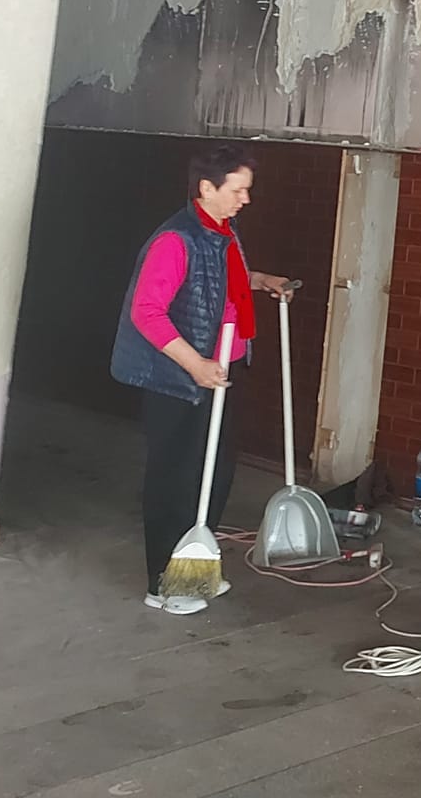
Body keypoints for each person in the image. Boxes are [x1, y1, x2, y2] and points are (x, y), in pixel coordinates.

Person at [110, 144, 296, 614]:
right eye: (238, 190)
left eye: (247, 190)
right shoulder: (176, 241)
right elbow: (147, 312)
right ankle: (162, 582)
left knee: (215, 474)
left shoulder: (221, 233)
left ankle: (195, 569)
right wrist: (194, 363)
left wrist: (259, 280)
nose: (245, 199)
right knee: (176, 479)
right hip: (179, 380)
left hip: (219, 373)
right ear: (207, 188)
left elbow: (216, 282)